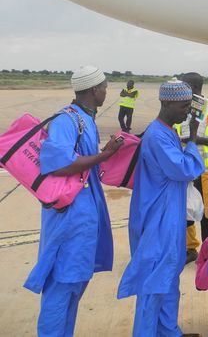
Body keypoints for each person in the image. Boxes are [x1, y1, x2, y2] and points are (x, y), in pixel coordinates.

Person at [25, 66, 124, 337]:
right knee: (62, 285)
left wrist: (110, 154)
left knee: (76, 282)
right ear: (94, 90)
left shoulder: (85, 118)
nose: (106, 91)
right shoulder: (67, 121)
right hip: (70, 215)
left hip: (83, 214)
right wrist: (104, 156)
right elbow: (58, 163)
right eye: (104, 87)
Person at [117, 79, 204, 337]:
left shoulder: (167, 131)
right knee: (153, 284)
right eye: (184, 106)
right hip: (157, 220)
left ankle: (168, 331)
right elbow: (185, 169)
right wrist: (194, 140)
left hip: (169, 217)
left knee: (168, 281)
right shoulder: (157, 135)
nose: (187, 111)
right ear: (166, 102)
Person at [177, 72, 208, 253]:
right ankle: (190, 248)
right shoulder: (181, 110)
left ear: (193, 88)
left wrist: (197, 140)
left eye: (184, 86)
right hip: (187, 170)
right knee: (186, 210)